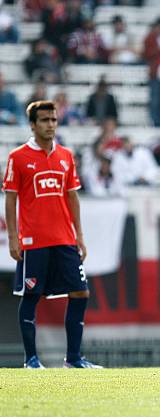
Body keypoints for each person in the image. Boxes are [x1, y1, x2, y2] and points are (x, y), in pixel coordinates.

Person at [2, 100, 102, 369]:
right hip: (35, 241)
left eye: (54, 120)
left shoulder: (66, 156)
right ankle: (31, 360)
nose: (50, 125)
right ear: (33, 125)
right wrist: (14, 237)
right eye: (44, 120)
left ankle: (74, 359)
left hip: (65, 239)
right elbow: (10, 200)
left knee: (80, 293)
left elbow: (72, 198)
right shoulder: (18, 157)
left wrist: (79, 235)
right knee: (31, 297)